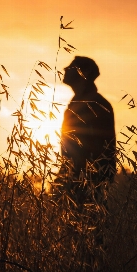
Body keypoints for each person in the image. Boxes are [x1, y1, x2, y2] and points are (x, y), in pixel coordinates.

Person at [55, 56, 116, 208]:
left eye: (71, 68)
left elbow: (102, 148)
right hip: (75, 178)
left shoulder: (96, 104)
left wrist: (82, 179)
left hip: (88, 181)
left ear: (84, 73)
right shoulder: (78, 102)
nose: (65, 70)